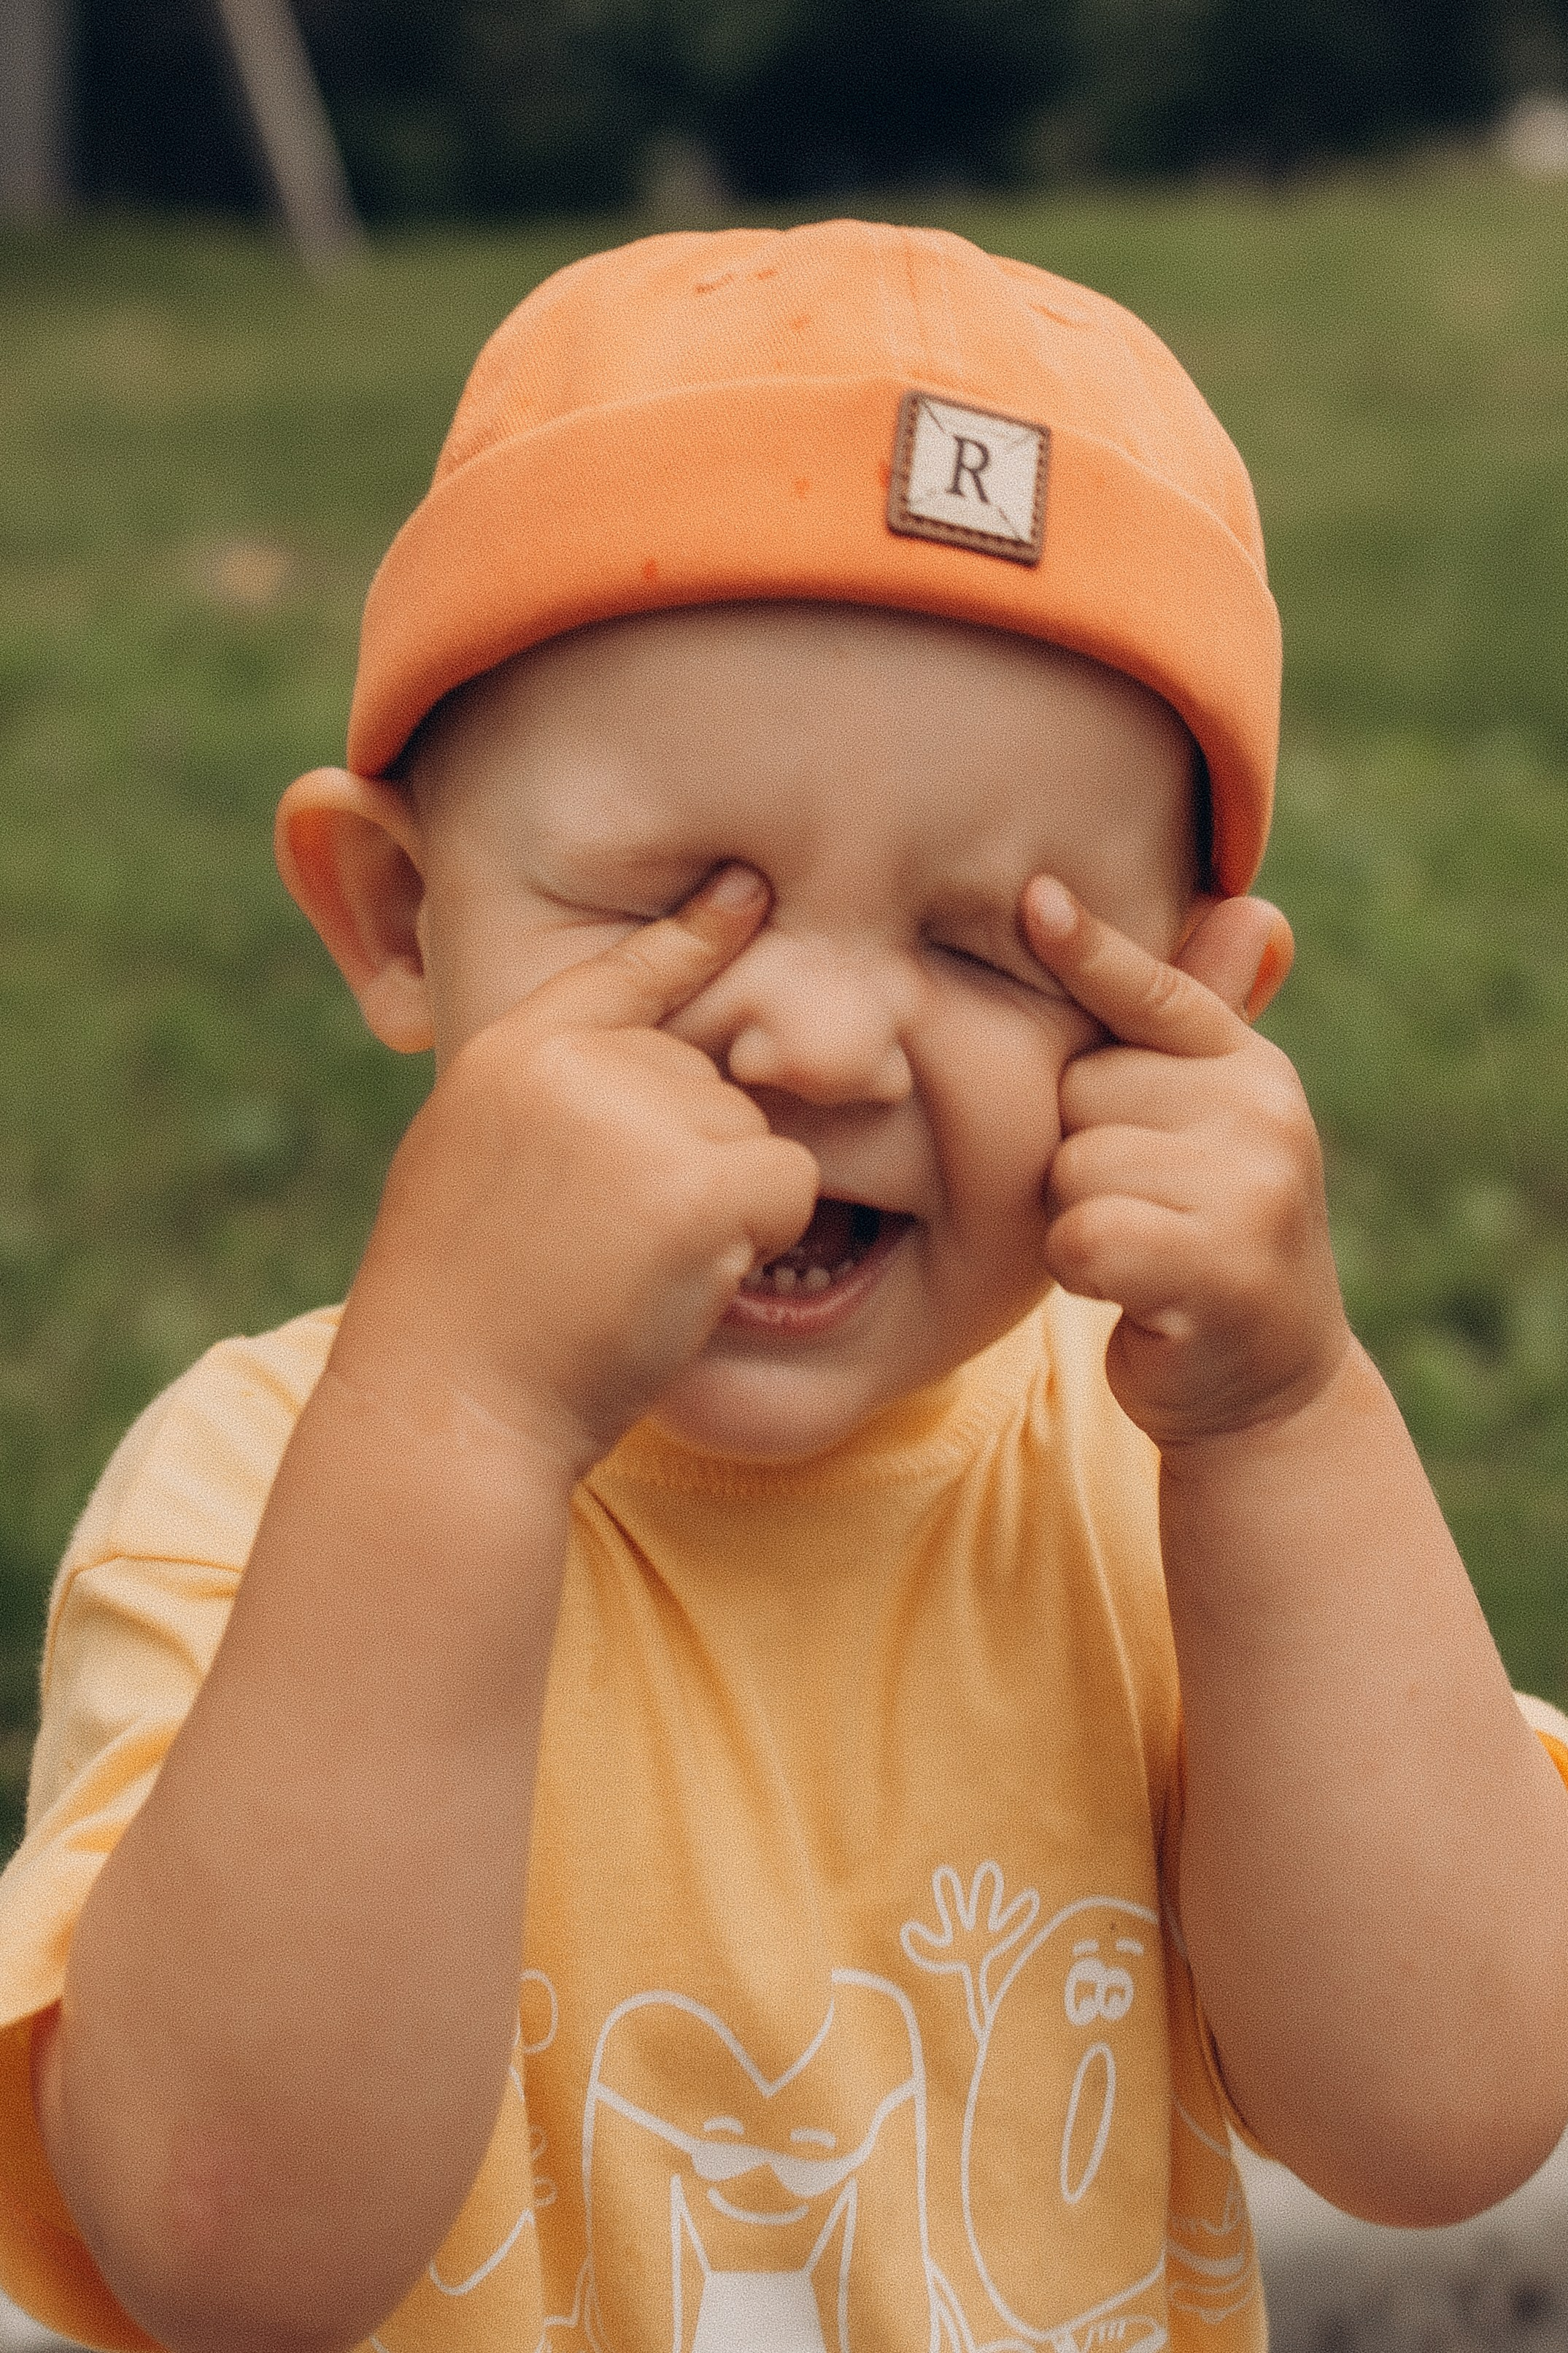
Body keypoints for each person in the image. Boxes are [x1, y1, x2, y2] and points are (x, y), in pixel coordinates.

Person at [1, 219, 1567, 2353]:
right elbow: (224, 2245)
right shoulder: (256, 1498)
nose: (821, 1045)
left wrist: (1291, 1428)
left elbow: (1451, 2116)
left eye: (994, 946)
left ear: (1198, 1014)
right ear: (394, 913)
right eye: (678, 901)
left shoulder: (1175, 1501)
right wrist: (465, 1422)